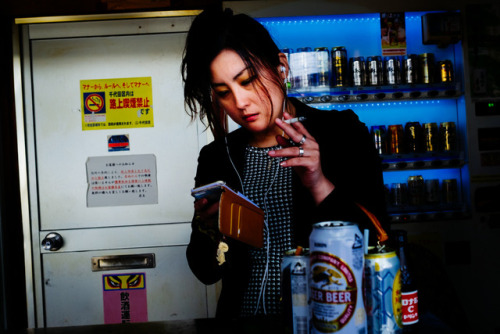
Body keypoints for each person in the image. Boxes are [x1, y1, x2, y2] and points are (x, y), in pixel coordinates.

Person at [182, 8, 387, 320]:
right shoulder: (217, 157)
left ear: (281, 67)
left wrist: (319, 183)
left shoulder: (340, 133)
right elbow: (204, 272)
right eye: (224, 92)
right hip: (242, 323)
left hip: (327, 322)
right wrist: (208, 227)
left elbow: (378, 242)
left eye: (247, 80)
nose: (239, 102)